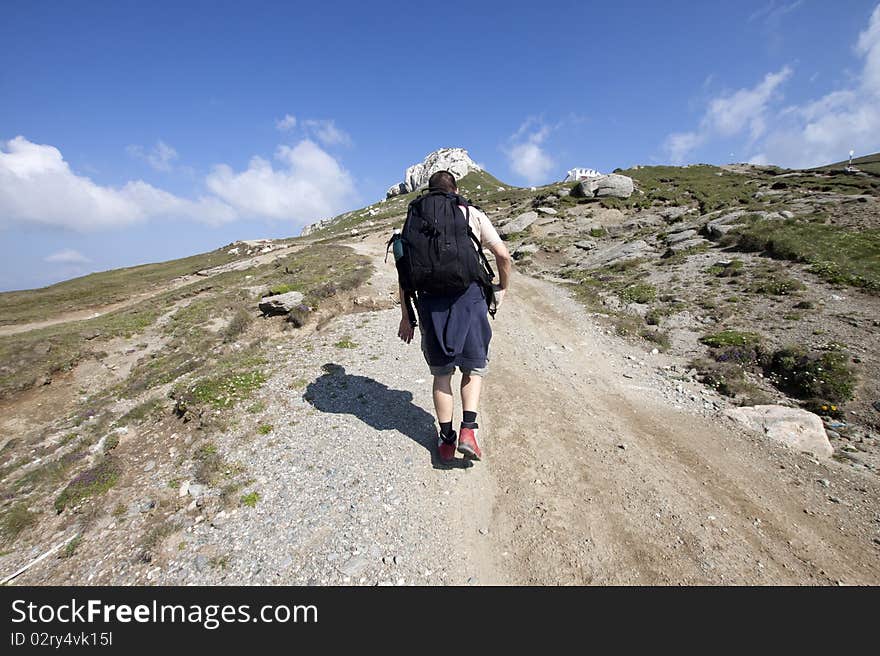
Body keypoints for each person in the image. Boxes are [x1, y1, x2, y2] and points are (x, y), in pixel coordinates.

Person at [396, 170, 512, 464]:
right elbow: (503, 255)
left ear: (428, 191)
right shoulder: (470, 212)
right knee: (473, 368)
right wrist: (502, 286)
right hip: (469, 298)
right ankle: (468, 431)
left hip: (430, 303)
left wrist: (406, 316)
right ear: (455, 189)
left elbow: (404, 273)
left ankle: (446, 440)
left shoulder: (415, 219)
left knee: (441, 374)